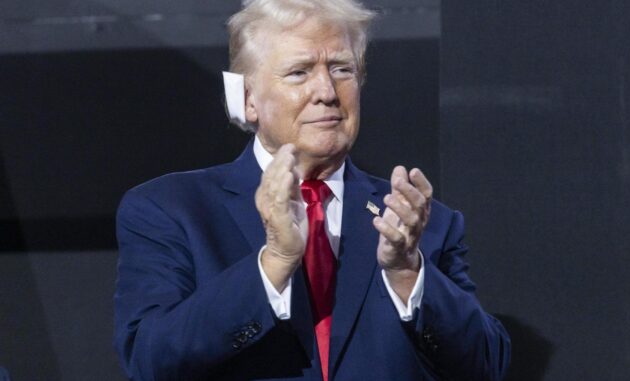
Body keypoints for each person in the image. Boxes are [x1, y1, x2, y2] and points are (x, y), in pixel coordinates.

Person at [113, 0, 511, 380]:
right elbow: (150, 361)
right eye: (299, 72)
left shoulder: (419, 223)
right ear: (248, 99)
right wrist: (273, 263)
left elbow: (485, 367)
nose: (327, 91)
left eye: (342, 69)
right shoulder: (171, 210)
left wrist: (408, 273)